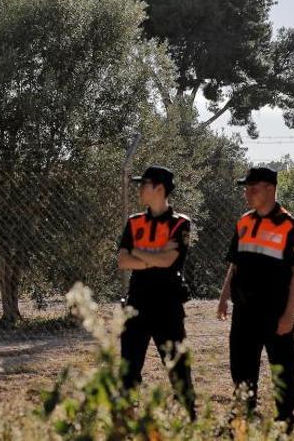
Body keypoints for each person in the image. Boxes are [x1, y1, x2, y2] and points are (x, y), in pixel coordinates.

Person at [217, 166, 294, 432]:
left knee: (282, 371)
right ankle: (242, 419)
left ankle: (287, 424)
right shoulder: (244, 221)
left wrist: (289, 314)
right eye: (246, 188)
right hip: (244, 311)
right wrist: (224, 297)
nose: (247, 193)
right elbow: (235, 265)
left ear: (270, 189)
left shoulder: (290, 227)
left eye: (252, 188)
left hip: (275, 313)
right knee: (242, 369)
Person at [117, 165, 196, 420]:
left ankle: (188, 416)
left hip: (167, 305)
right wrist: (153, 257)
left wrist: (138, 252)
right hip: (137, 302)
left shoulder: (180, 224)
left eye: (144, 184)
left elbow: (169, 261)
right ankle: (127, 417)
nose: (140, 189)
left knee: (177, 365)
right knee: (129, 366)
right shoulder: (134, 221)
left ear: (159, 189)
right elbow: (122, 260)